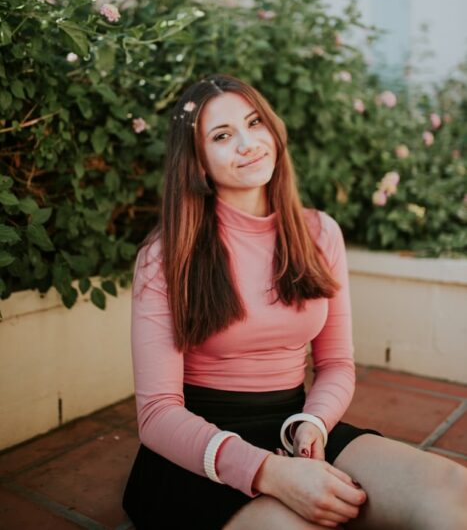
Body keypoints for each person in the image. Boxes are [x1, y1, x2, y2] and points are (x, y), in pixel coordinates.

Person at [122, 74, 467, 530]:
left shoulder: (320, 233)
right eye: (223, 136)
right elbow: (157, 415)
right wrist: (271, 473)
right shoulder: (165, 255)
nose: (248, 143)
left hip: (292, 424)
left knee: (452, 487)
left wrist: (313, 425)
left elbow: (337, 363)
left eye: (255, 122)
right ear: (199, 163)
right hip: (198, 449)